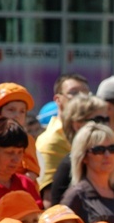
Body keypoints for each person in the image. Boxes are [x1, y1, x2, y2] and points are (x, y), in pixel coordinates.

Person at [61, 122, 114, 223]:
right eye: (99, 150)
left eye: (112, 149)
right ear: (84, 157)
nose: (107, 155)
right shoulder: (76, 196)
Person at [36, 73, 90, 207]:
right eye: (74, 93)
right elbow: (49, 200)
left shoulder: (88, 134)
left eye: (86, 94)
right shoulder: (51, 141)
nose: (81, 99)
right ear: (58, 100)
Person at [49, 94, 111, 205]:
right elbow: (58, 211)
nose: (105, 125)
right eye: (98, 120)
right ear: (77, 125)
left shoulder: (111, 158)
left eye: (106, 119)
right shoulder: (67, 165)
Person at [0, 82, 41, 182]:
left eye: (22, 111)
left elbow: (32, 173)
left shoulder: (27, 139)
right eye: (11, 110)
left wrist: (12, 188)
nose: (17, 115)